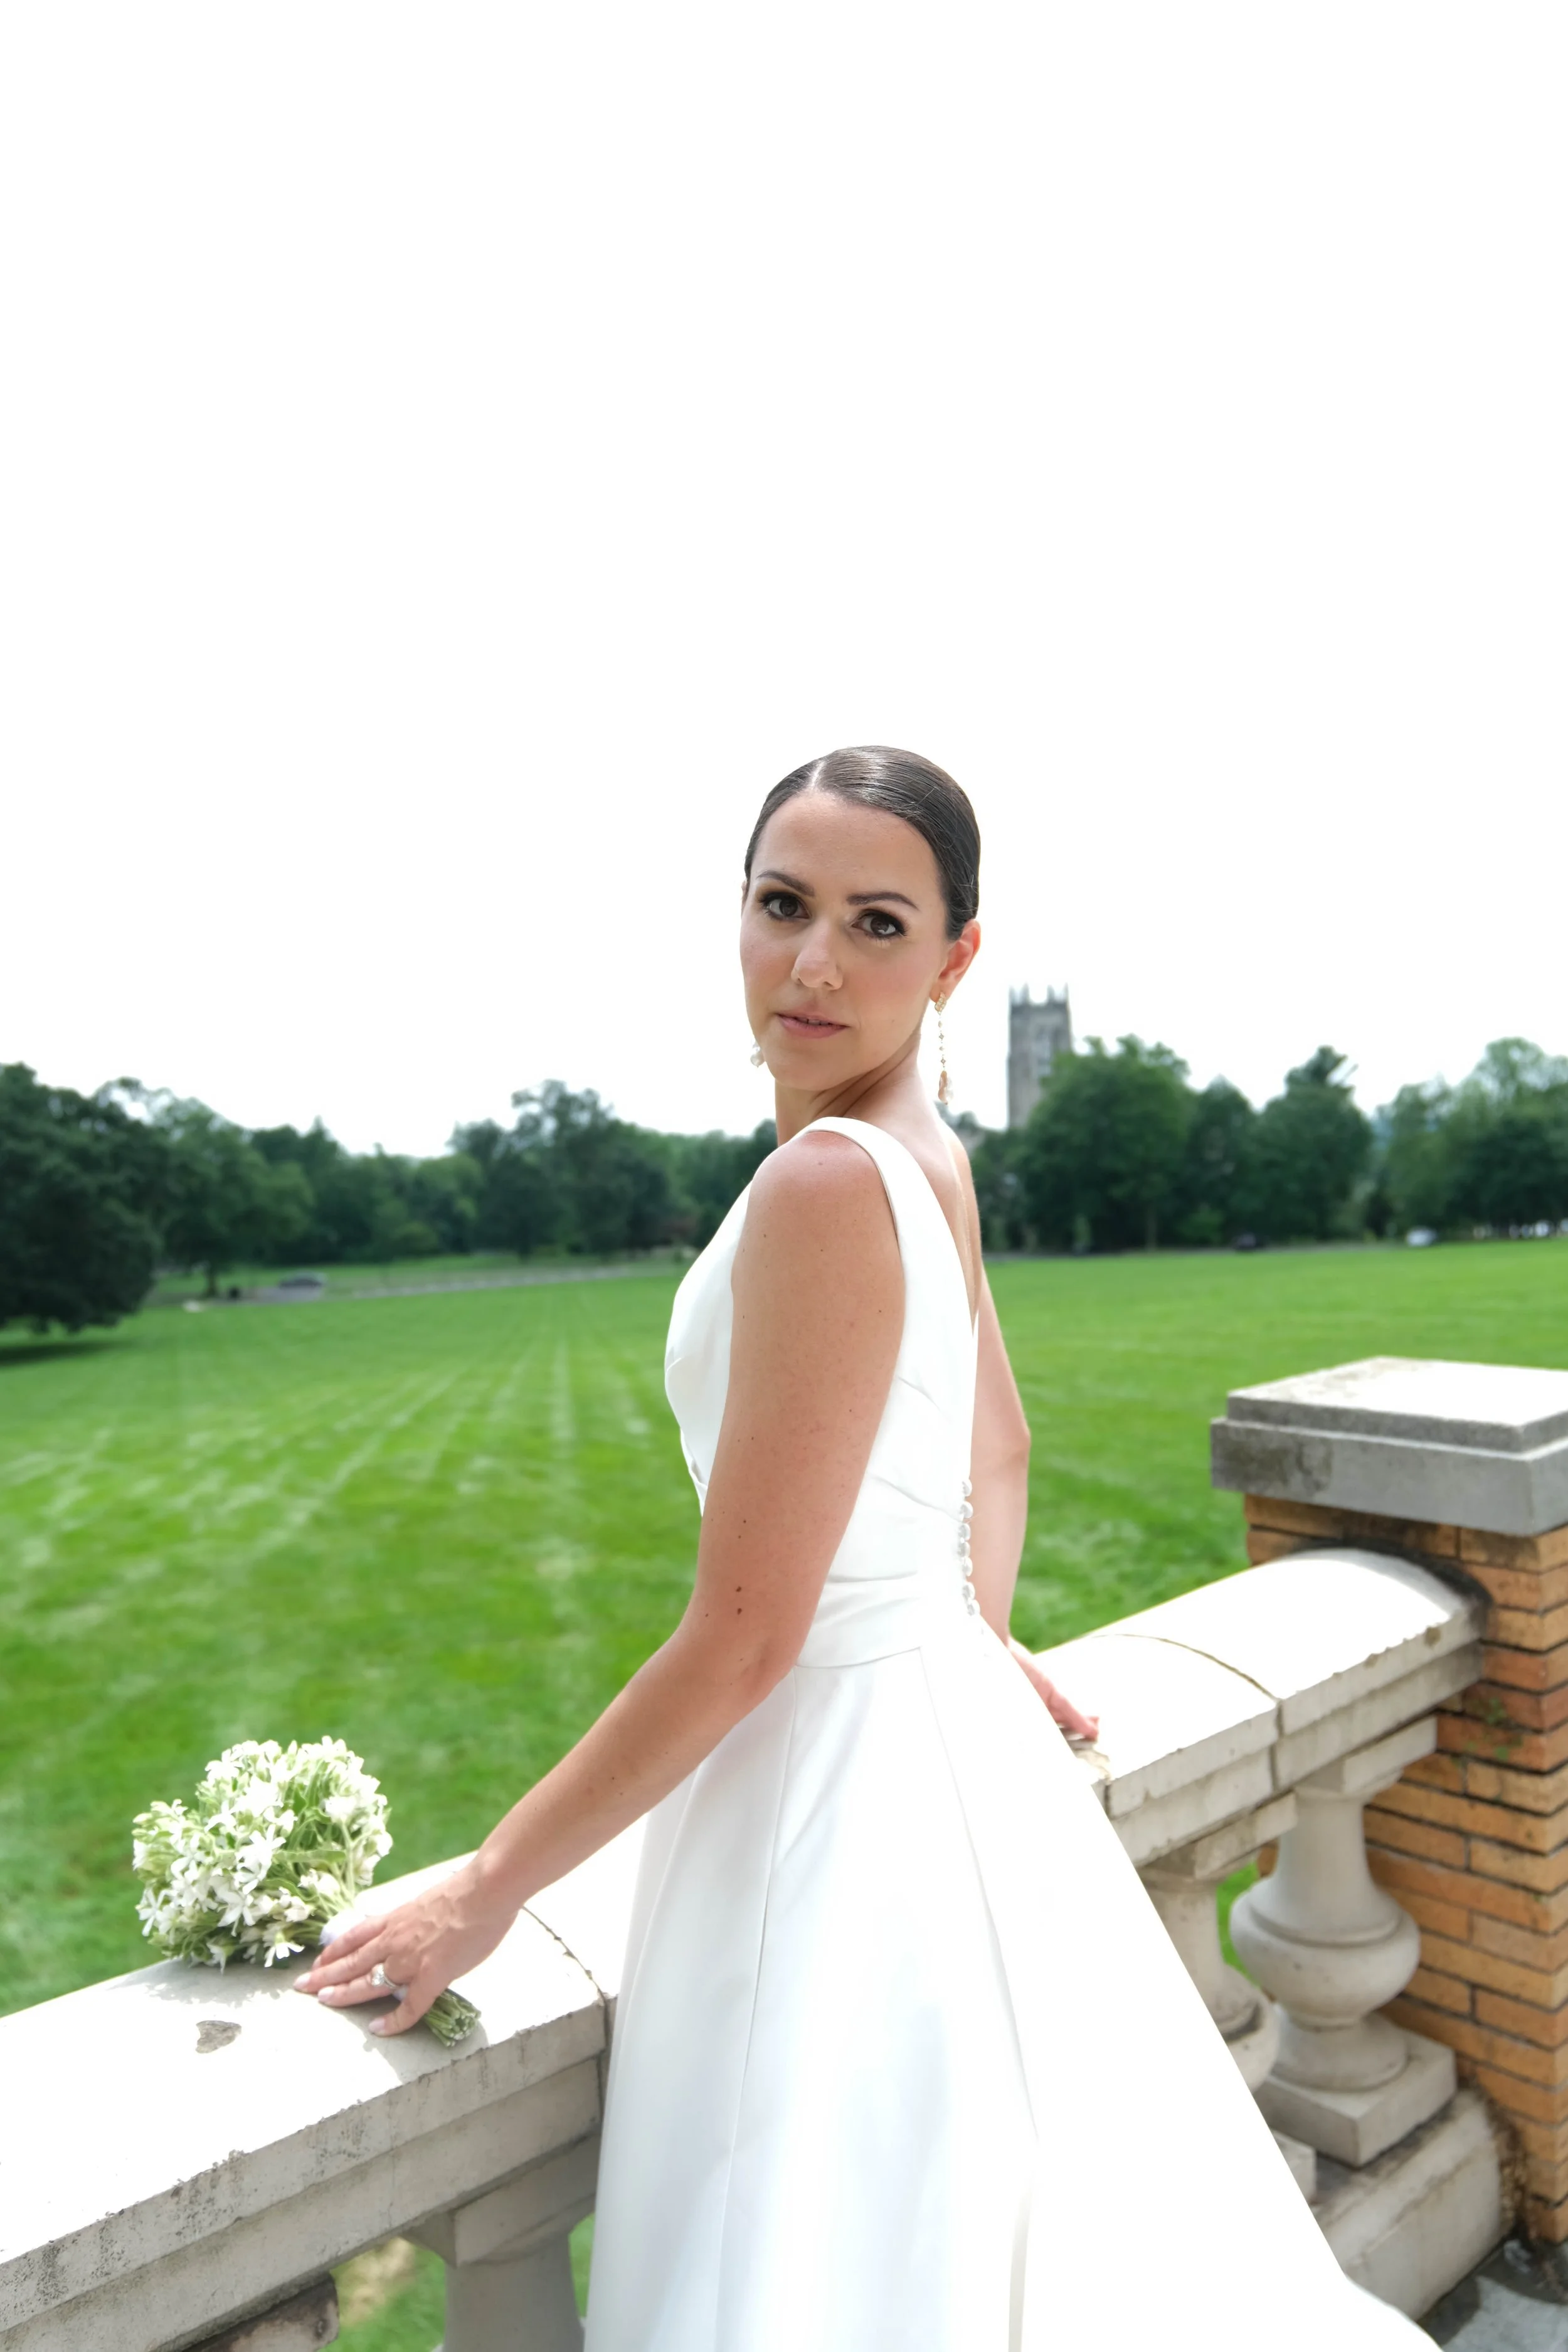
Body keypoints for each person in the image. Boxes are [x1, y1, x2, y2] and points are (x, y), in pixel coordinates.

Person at [299, 748, 1432, 2348]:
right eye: (783, 906)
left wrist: (481, 1891)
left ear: (957, 959)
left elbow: (748, 1638)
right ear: (737, 915)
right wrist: (957, 1636)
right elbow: (999, 1450)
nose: (814, 963)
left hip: (825, 1801)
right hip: (931, 1749)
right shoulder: (923, 1150)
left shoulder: (830, 1180)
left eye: (877, 924)